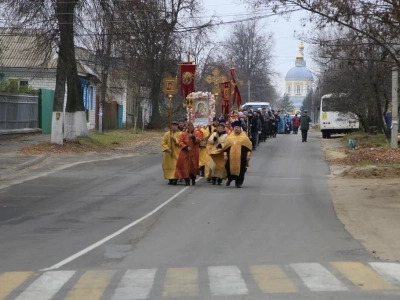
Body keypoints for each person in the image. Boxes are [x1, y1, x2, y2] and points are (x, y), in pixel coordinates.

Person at [211, 120, 252, 188]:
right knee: (228, 167)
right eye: (235, 127)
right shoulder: (230, 137)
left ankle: (238, 182)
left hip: (242, 157)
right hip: (230, 157)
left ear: (240, 128)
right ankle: (230, 179)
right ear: (233, 128)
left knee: (241, 170)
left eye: (238, 127)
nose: (236, 128)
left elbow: (249, 148)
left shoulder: (244, 137)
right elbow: (226, 148)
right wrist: (225, 155)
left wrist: (248, 155)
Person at [161, 121, 182, 185]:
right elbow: (163, 142)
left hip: (176, 152)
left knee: (176, 166)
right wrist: (167, 149)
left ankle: (175, 178)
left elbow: (181, 142)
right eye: (173, 125)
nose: (174, 126)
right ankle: (170, 179)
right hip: (168, 153)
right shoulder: (167, 134)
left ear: (177, 126)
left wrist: (175, 139)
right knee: (168, 166)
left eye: (175, 125)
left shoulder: (180, 134)